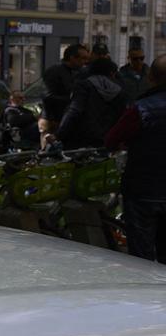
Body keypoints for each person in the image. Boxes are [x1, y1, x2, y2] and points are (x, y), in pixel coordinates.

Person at [105, 54, 166, 263]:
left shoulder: (141, 109)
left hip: (142, 190)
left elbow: (112, 140)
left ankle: (145, 293)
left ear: (151, 77)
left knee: (142, 257)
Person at [54, 57, 126, 149]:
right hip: (107, 140)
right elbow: (122, 117)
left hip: (81, 139)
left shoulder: (84, 86)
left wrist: (58, 135)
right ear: (112, 73)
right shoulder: (120, 91)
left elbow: (74, 111)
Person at [39, 43, 88, 136]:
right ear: (72, 58)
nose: (85, 62)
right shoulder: (54, 71)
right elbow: (47, 96)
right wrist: (72, 100)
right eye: (83, 58)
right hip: (52, 119)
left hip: (68, 120)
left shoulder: (80, 72)